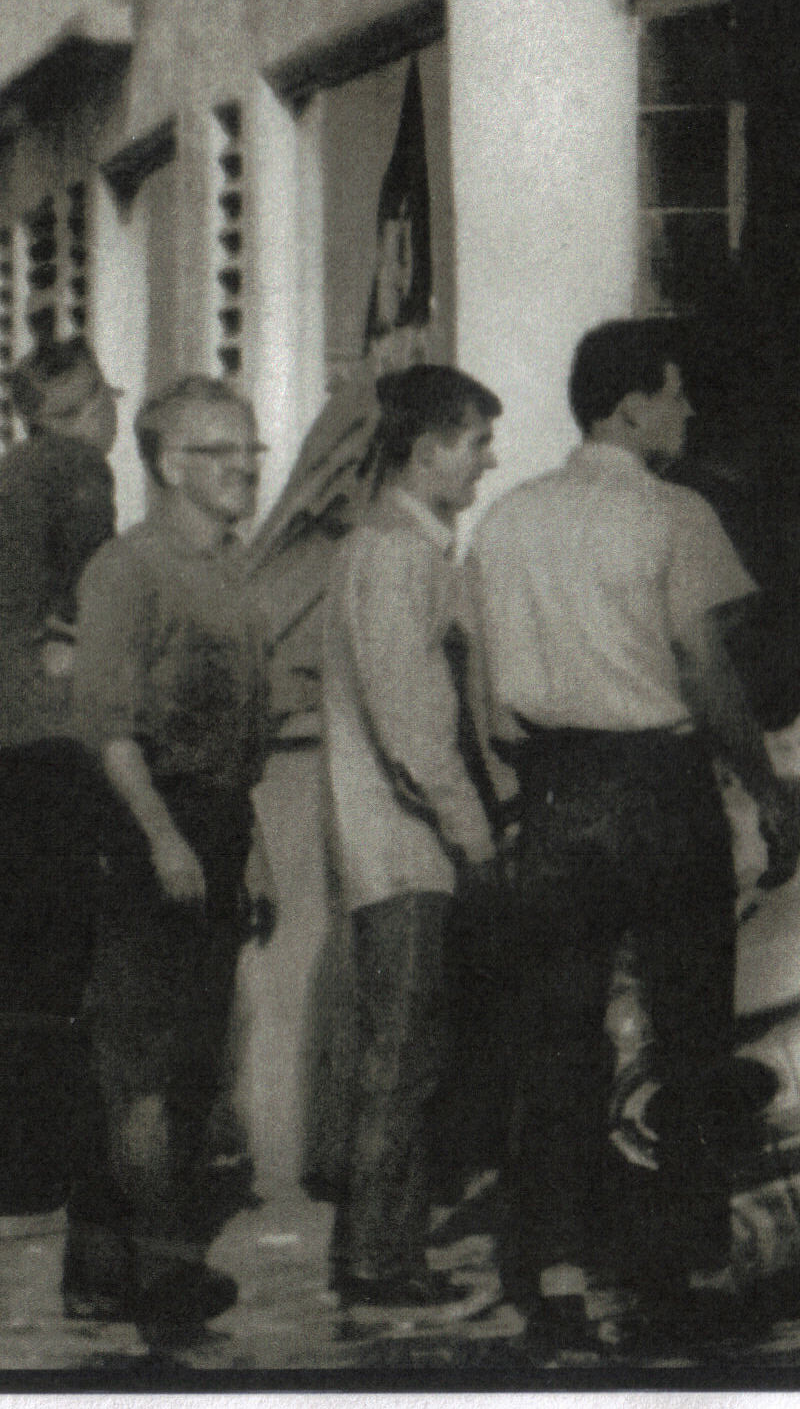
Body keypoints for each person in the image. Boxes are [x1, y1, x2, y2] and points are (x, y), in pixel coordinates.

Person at [468, 319, 800, 1353]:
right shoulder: (674, 513)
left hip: (554, 792)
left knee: (556, 1042)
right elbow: (704, 666)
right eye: (672, 392)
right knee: (689, 1029)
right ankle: (680, 1271)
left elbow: (487, 699)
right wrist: (764, 785)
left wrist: (527, 788)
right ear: (628, 406)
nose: (686, 409)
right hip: (659, 789)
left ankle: (558, 1276)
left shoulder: (505, 521)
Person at [66, 375, 280, 1328]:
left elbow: (236, 738)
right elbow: (106, 726)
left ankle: (106, 1267)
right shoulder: (127, 568)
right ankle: (162, 1269)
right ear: (165, 462)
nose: (242, 467)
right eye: (217, 451)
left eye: (248, 449)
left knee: (193, 1061)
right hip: (144, 823)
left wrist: (251, 849)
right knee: (145, 1066)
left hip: (216, 823)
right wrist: (162, 837)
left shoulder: (233, 571)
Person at [309, 365, 507, 1311]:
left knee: (406, 1052)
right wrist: (476, 837)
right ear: (427, 451)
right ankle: (378, 1258)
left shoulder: (402, 548)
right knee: (401, 1057)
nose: (487, 461)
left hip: (404, 843)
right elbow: (415, 731)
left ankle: (380, 1249)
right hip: (405, 848)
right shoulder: (393, 555)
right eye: (475, 443)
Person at [0, 339, 121, 1240]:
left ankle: (12, 1179)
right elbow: (100, 596)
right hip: (57, 733)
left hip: (2, 740)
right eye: (105, 396)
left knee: (18, 956)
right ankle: (49, 1174)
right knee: (64, 958)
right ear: (86, 404)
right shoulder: (76, 470)